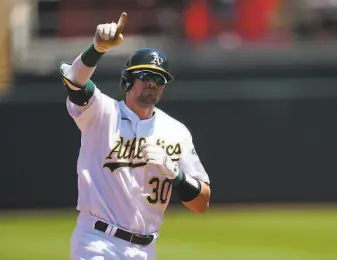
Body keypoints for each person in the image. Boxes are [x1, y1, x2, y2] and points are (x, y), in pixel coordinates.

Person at [59, 12, 211, 260]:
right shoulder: (102, 112)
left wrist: (175, 173)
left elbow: (201, 202)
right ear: (128, 80)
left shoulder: (176, 132)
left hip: (145, 250)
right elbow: (74, 81)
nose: (153, 82)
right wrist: (98, 47)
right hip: (98, 241)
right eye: (145, 75)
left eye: (159, 78)